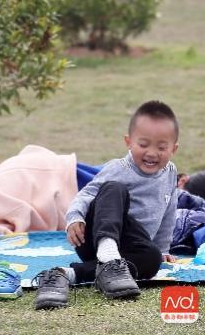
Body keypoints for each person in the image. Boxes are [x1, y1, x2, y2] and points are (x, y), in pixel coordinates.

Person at [34, 100, 180, 309]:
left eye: (161, 147)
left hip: (129, 251)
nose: (152, 153)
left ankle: (66, 274)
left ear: (173, 149)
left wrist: (163, 247)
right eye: (143, 144)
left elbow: (169, 210)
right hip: (95, 238)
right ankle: (107, 252)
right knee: (113, 188)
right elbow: (87, 194)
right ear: (128, 142)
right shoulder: (119, 168)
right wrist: (74, 217)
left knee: (152, 259)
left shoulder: (170, 173)